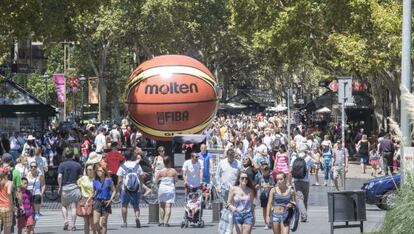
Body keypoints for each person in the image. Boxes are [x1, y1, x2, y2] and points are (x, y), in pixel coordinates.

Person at [116, 150, 148, 228]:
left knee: (124, 205)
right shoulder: (137, 166)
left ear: (124, 157)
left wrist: (117, 189)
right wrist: (141, 186)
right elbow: (141, 177)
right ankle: (137, 217)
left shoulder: (122, 166)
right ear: (132, 156)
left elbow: (120, 181)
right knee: (136, 206)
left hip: (125, 189)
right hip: (136, 189)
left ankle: (124, 223)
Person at [57, 148, 83, 231]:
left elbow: (60, 176)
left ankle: (65, 220)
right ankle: (73, 225)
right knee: (73, 207)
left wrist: (60, 186)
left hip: (65, 187)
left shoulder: (62, 165)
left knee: (64, 205)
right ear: (73, 155)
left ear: (65, 155)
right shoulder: (78, 165)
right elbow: (80, 178)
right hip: (75, 187)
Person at [290, 146, 313, 222]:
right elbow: (314, 165)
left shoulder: (294, 158)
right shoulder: (308, 158)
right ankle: (304, 215)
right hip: (306, 180)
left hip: (296, 180)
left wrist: (290, 181)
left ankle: (304, 215)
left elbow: (290, 169)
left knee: (300, 199)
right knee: (305, 199)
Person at [92, 166, 116, 234]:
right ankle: (100, 232)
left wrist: (111, 200)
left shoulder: (109, 180)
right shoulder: (95, 181)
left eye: (101, 171)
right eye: (98, 171)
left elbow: (114, 191)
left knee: (104, 222)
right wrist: (90, 199)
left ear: (104, 172)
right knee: (95, 222)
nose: (99, 172)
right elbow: (93, 192)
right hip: (97, 202)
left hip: (106, 202)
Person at [156, 156, 177, 227]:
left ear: (163, 163)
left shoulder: (160, 171)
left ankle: (161, 221)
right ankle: (166, 222)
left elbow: (156, 181)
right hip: (170, 188)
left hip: (162, 188)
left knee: (161, 206)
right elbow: (176, 180)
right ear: (170, 162)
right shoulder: (173, 171)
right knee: (168, 206)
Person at [255, 161, 274, 230]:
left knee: (271, 209)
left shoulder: (271, 177)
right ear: (261, 170)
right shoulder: (259, 177)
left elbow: (274, 186)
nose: (265, 171)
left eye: (266, 169)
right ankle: (266, 223)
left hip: (270, 194)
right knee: (264, 209)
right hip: (263, 194)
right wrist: (258, 186)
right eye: (263, 169)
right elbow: (256, 186)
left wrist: (269, 186)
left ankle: (270, 222)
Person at [77, 164, 95, 234]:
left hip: (93, 200)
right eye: (88, 170)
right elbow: (78, 186)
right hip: (84, 200)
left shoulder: (96, 179)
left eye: (91, 169)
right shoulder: (83, 178)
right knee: (86, 222)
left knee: (91, 222)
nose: (89, 171)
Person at [0, 166, 13, 234]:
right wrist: (12, 206)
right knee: (7, 229)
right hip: (7, 207)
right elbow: (9, 193)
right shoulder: (9, 182)